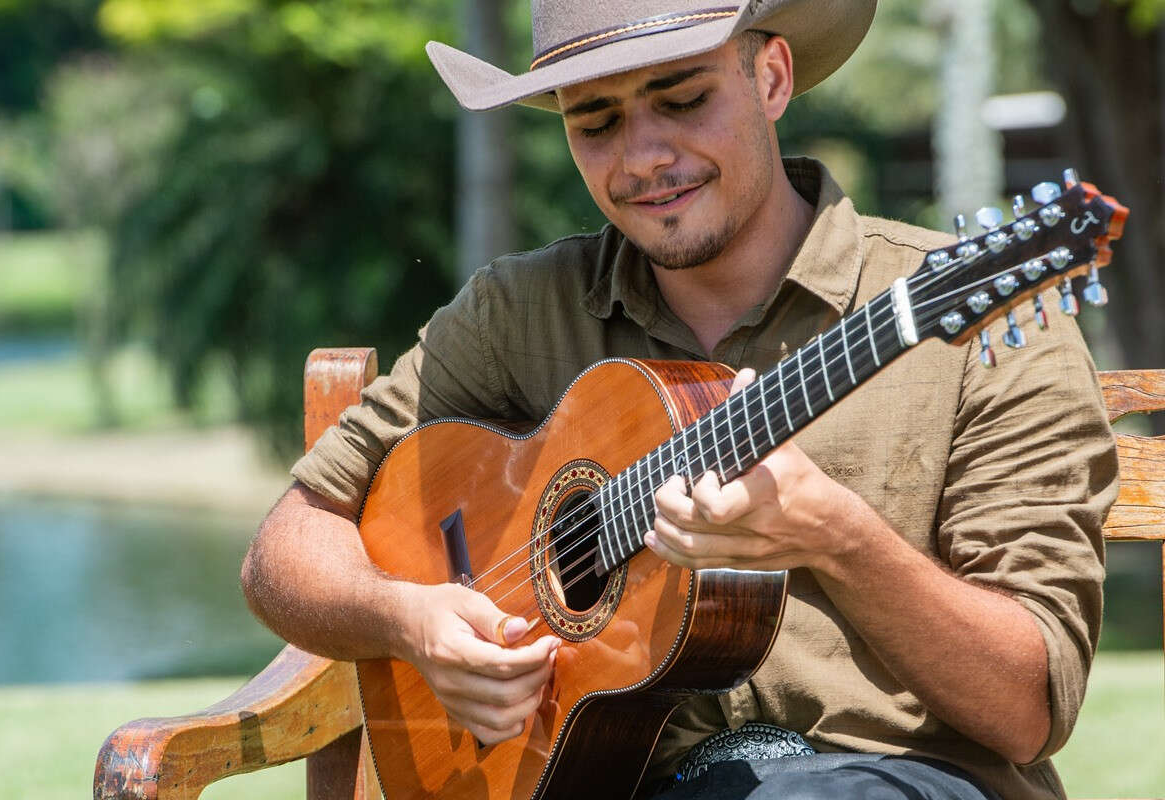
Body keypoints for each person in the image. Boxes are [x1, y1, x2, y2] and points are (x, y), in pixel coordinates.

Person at [240, 1, 1119, 798]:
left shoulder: (984, 331)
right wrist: (413, 620)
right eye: (597, 121)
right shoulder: (519, 313)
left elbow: (1027, 711)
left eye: (683, 99)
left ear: (770, 76)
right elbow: (287, 548)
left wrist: (840, 539)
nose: (644, 156)